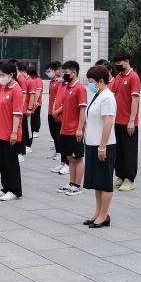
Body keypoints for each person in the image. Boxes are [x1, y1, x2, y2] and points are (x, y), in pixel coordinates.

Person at [82, 65, 117, 227]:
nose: (90, 84)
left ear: (101, 81)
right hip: (92, 144)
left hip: (103, 145)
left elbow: (108, 123)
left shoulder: (107, 97)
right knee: (97, 181)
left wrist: (102, 147)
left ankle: (104, 215)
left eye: (91, 81)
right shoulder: (98, 95)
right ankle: (98, 212)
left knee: (105, 181)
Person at [0, 62, 25, 201]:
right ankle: (5, 187)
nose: (0, 77)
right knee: (2, 162)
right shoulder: (4, 88)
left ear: (11, 75)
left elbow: (17, 114)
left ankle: (14, 190)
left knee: (11, 163)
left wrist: (14, 132)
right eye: (0, 75)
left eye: (3, 75)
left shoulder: (16, 90)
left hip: (10, 132)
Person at [110, 50, 141, 192]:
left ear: (127, 61)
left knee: (129, 151)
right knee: (119, 151)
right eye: (115, 63)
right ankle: (120, 176)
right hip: (117, 121)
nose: (117, 65)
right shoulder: (119, 77)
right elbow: (111, 93)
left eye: (119, 62)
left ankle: (129, 179)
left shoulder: (133, 77)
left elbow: (135, 100)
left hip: (128, 122)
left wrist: (131, 121)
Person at [56, 60, 88, 196]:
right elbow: (66, 106)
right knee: (70, 158)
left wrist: (80, 129)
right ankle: (71, 183)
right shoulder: (67, 87)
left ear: (74, 73)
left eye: (66, 72)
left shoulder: (80, 88)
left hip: (75, 130)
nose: (64, 75)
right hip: (65, 129)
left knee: (78, 158)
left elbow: (82, 109)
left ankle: (77, 185)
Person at [27, 64, 43, 142]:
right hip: (32, 102)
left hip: (37, 103)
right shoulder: (31, 80)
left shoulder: (38, 80)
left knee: (36, 117)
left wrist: (35, 101)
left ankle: (36, 131)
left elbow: (38, 91)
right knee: (32, 118)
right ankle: (33, 130)